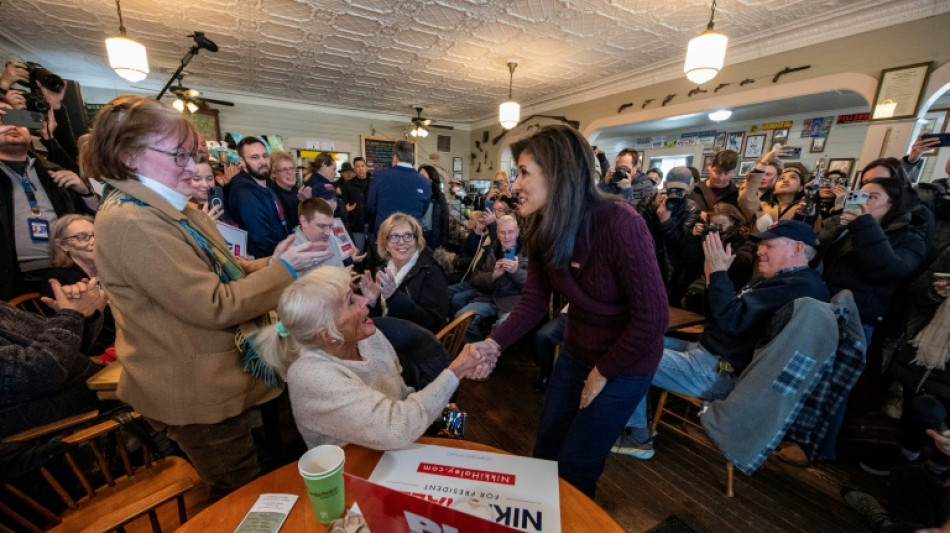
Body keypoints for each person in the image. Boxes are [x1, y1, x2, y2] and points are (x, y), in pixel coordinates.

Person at [82, 95, 324, 498]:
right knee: (242, 494)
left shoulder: (175, 209)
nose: (195, 168)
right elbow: (215, 304)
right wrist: (287, 271)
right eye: (179, 155)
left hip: (226, 373)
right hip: (195, 389)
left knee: (271, 472)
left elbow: (226, 269)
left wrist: (274, 262)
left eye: (193, 154)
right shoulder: (133, 220)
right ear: (128, 156)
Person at [466, 125, 668, 498]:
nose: (515, 183)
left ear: (557, 173)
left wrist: (603, 371)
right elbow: (533, 301)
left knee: (577, 465)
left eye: (524, 172)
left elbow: (654, 319)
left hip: (625, 362)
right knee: (546, 451)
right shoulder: (542, 223)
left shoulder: (621, 224)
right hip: (578, 350)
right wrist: (492, 344)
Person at [614, 221, 830, 460]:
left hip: (718, 372)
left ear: (797, 249)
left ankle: (637, 437)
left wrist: (718, 275)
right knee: (631, 341)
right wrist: (713, 277)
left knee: (627, 357)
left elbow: (732, 321)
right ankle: (626, 419)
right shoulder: (780, 280)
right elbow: (721, 315)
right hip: (707, 353)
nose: (760, 250)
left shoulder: (798, 287)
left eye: (768, 245)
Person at [255, 267, 491, 449]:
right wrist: (455, 371)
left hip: (395, 453)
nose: (365, 301)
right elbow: (395, 429)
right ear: (327, 334)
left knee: (457, 426)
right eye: (350, 300)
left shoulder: (369, 338)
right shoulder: (311, 375)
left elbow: (401, 395)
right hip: (358, 476)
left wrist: (441, 412)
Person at [0, 103, 99, 300]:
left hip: (67, 271)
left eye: (15, 119)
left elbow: (95, 220)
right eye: (1, 121)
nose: (11, 125)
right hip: (11, 279)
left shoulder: (54, 171)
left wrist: (84, 192)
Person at [818, 178, 928, 338]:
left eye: (872, 196)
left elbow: (888, 270)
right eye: (861, 195)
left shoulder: (910, 239)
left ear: (892, 204)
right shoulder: (848, 227)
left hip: (856, 319)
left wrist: (864, 224)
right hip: (823, 305)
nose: (863, 200)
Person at [1, 278, 106, 437]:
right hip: (73, 434)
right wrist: (71, 316)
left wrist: (82, 316)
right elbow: (38, 373)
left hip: (97, 402)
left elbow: (67, 354)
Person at [40, 214, 116, 356]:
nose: (93, 241)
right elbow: (67, 333)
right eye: (82, 237)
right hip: (89, 351)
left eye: (96, 234)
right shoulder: (56, 280)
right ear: (63, 245)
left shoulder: (112, 269)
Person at [360, 213, 449, 334]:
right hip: (391, 334)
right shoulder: (385, 270)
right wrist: (373, 302)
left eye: (408, 235)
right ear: (385, 244)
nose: (401, 242)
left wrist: (394, 296)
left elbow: (433, 325)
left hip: (415, 345)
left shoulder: (431, 270)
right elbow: (383, 317)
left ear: (417, 241)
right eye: (394, 236)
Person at [454, 215, 527, 342]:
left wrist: (516, 271)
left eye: (510, 232)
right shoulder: (489, 251)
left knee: (503, 327)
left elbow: (533, 285)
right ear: (497, 233)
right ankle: (477, 352)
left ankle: (492, 355)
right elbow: (474, 279)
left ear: (517, 232)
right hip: (488, 298)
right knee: (461, 319)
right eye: (502, 233)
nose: (507, 237)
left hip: (512, 302)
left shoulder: (528, 253)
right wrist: (493, 275)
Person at [636, 167, 702, 306]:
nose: (677, 194)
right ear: (665, 185)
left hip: (673, 269)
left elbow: (682, 244)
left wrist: (666, 221)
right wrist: (653, 208)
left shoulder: (691, 209)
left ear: (688, 188)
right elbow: (637, 231)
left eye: (681, 190)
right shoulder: (649, 201)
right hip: (647, 260)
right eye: (673, 189)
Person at [227, 137, 290, 258]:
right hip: (266, 264)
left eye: (265, 156)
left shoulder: (267, 185)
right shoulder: (244, 192)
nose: (263, 161)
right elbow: (261, 239)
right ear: (242, 161)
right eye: (255, 157)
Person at [367, 141, 430, 235]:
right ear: (412, 156)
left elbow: (371, 207)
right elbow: (424, 209)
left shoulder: (379, 177)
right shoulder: (424, 182)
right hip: (412, 235)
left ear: (395, 157)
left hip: (386, 233)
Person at [292, 198, 345, 275]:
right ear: (304, 221)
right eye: (322, 226)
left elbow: (340, 270)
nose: (328, 233)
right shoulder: (292, 252)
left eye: (330, 226)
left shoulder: (331, 240)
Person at [341, 157, 373, 253]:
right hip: (356, 224)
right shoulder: (348, 185)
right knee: (358, 252)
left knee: (375, 252)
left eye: (363, 166)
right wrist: (347, 209)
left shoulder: (374, 183)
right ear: (354, 169)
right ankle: (359, 268)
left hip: (372, 223)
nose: (360, 169)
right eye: (357, 166)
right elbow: (344, 203)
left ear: (366, 168)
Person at [418, 165, 449, 250]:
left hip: (433, 236)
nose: (420, 178)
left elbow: (444, 221)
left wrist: (444, 243)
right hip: (418, 235)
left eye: (423, 175)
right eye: (419, 175)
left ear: (431, 178)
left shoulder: (440, 197)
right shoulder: (416, 195)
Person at [269, 149, 301, 225]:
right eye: (284, 169)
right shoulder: (271, 195)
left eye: (291, 168)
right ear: (274, 174)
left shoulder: (298, 191)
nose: (290, 173)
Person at [188, 156, 223, 223]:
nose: (205, 185)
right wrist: (205, 225)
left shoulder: (220, 202)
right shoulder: (179, 211)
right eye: (196, 179)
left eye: (209, 179)